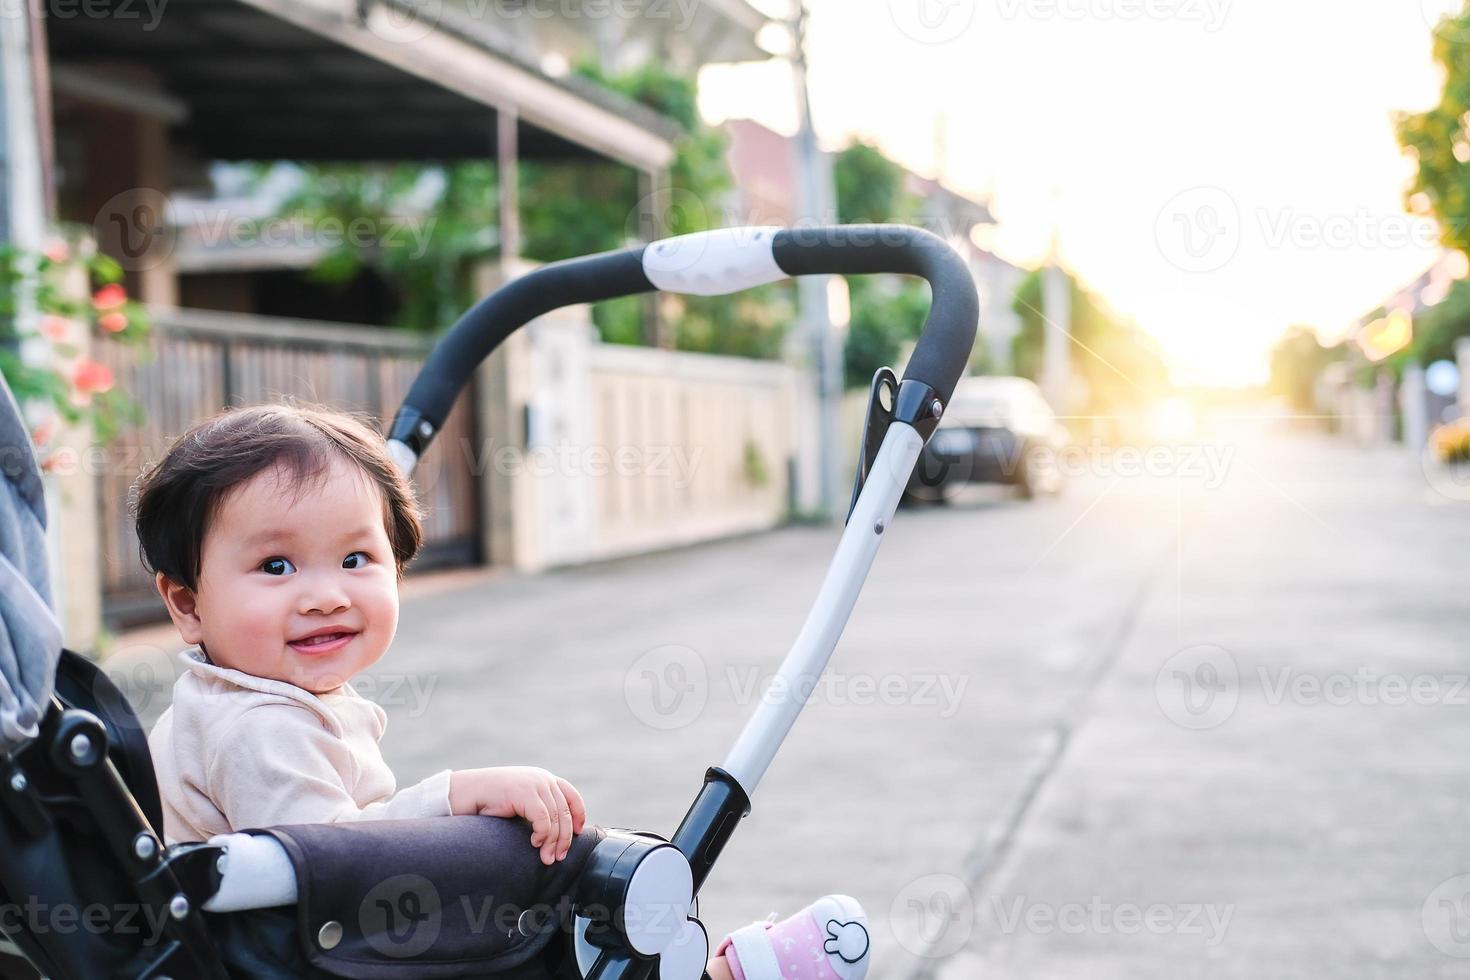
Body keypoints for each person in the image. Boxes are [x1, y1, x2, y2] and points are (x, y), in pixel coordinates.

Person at [138, 402, 869, 980]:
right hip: (307, 959)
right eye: (276, 567)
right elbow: (332, 870)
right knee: (550, 868)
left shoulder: (225, 703)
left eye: (356, 557)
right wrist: (453, 797)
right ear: (188, 603)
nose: (325, 596)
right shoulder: (258, 728)